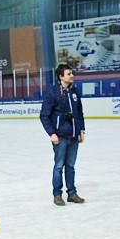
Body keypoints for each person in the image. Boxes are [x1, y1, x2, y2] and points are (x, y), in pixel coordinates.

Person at [40, 64, 86, 206]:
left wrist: (81, 130)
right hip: (60, 136)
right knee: (59, 166)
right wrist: (52, 133)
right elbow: (44, 116)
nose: (72, 76)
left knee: (70, 166)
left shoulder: (75, 92)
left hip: (73, 136)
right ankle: (57, 194)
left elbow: (79, 113)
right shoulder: (53, 92)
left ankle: (72, 193)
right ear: (61, 77)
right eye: (68, 74)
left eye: (72, 73)